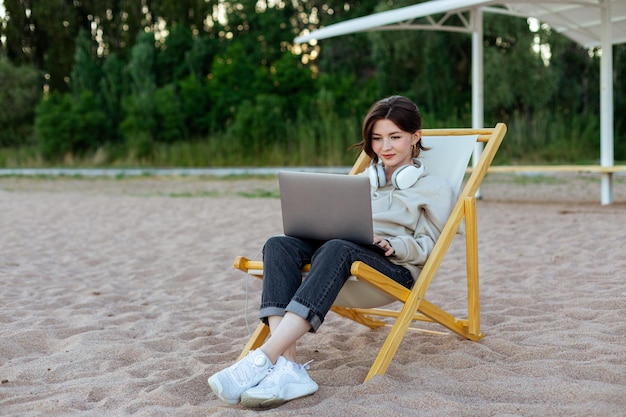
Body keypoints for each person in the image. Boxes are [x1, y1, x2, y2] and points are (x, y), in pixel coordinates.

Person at [207, 95, 456, 408]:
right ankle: (289, 369)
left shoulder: (434, 188)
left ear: (415, 137)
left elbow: (429, 247)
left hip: (392, 268)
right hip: (341, 256)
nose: (385, 147)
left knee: (338, 247)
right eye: (377, 138)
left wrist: (393, 244)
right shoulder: (365, 180)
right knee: (278, 244)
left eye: (395, 137)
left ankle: (264, 358)